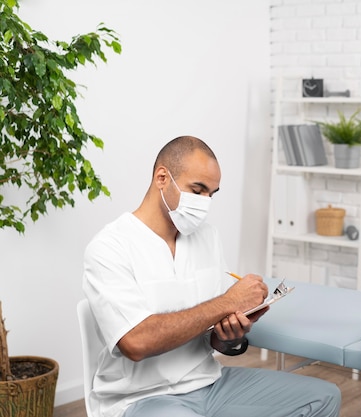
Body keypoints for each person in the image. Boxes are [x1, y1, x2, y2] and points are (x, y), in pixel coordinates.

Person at [83, 136, 341, 417]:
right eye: (198, 190)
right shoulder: (110, 246)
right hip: (142, 398)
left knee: (324, 397)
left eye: (212, 194)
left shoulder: (208, 237)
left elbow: (214, 335)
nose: (205, 203)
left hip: (211, 384)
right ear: (162, 178)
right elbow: (136, 342)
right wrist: (228, 301)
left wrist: (230, 335)